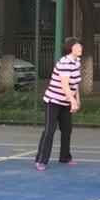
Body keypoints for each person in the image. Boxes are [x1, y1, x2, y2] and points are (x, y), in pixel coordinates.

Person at [35, 37, 82, 171]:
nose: (80, 48)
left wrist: (77, 99)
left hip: (66, 102)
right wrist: (72, 101)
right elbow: (65, 85)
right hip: (53, 101)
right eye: (78, 46)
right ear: (70, 48)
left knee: (67, 129)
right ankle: (41, 160)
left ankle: (65, 157)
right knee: (50, 130)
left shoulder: (76, 63)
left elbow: (75, 83)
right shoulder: (64, 62)